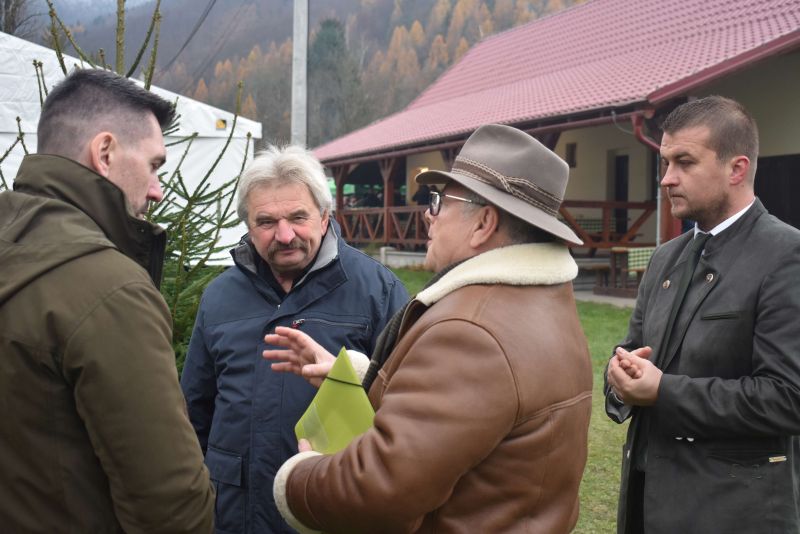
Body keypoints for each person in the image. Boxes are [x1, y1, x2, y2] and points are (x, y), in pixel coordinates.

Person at [265, 124, 594, 533]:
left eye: (438, 201)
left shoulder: (472, 332)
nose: (428, 214)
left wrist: (297, 477)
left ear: (483, 224)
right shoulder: (542, 303)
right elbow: (478, 414)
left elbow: (381, 487)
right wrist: (355, 377)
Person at [0, 69, 214, 531]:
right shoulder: (111, 289)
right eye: (154, 165)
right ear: (105, 152)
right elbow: (171, 506)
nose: (157, 189)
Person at [180, 145, 408, 533]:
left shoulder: (377, 290)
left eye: (297, 217)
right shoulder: (220, 297)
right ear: (248, 227)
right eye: (266, 221)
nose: (284, 235)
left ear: (323, 217)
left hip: (332, 507)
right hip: (235, 512)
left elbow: (410, 406)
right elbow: (193, 413)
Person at [605, 96, 800, 534]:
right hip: (645, 503)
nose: (667, 179)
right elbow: (633, 350)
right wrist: (619, 380)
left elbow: (789, 399)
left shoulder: (787, 256)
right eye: (664, 162)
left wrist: (665, 392)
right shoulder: (665, 259)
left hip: (730, 513)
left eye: (684, 162)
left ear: (737, 169)